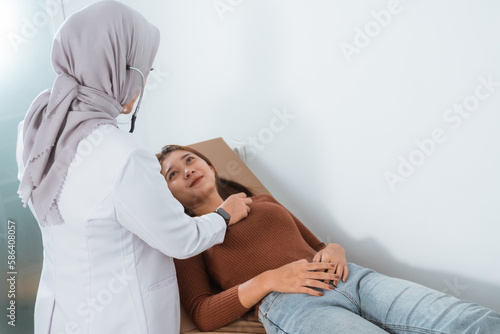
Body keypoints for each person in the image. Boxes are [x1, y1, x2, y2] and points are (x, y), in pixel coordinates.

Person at [16, 2, 251, 333]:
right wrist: (224, 215)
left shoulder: (37, 128)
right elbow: (180, 240)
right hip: (123, 318)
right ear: (119, 69)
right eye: (145, 72)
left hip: (63, 312)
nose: (143, 86)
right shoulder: (122, 154)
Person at [156, 144, 500, 334]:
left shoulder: (262, 203)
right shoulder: (187, 240)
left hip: (354, 279)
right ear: (166, 193)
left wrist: (334, 247)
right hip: (293, 304)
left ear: (210, 166)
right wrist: (270, 280)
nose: (186, 169)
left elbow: (317, 246)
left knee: (472, 321)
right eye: (173, 173)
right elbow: (202, 313)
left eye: (190, 159)